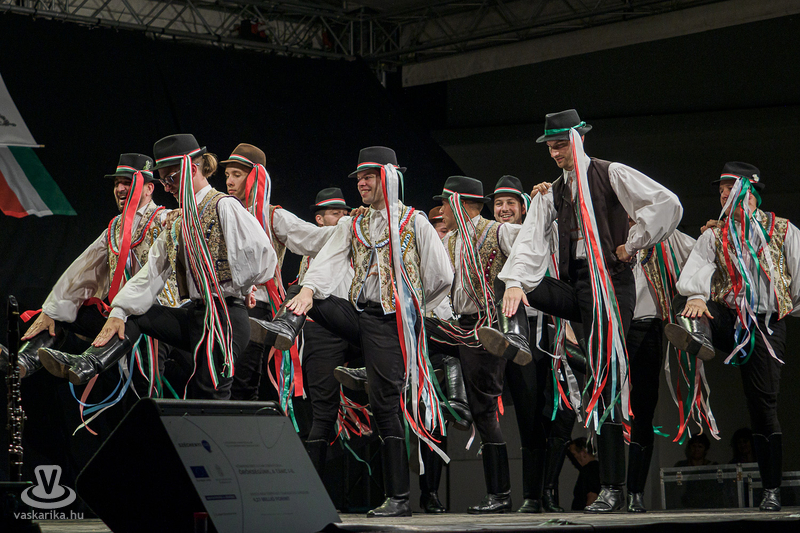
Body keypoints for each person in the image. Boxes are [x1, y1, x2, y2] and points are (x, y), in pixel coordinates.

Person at [480, 109, 683, 513]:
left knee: (604, 376)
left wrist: (634, 242)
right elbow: (530, 241)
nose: (555, 153)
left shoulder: (610, 173)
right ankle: (518, 335)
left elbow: (667, 203)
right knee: (516, 279)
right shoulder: (552, 192)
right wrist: (516, 282)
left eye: (560, 145)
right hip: (575, 285)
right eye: (551, 147)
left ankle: (613, 488)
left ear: (579, 139)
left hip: (610, 283)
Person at [253, 146, 453, 517]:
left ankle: (399, 498)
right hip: (359, 314)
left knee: (383, 403)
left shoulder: (415, 221)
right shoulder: (353, 223)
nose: (361, 183)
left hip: (392, 321)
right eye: (359, 177)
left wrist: (412, 307)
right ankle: (285, 326)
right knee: (301, 289)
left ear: (388, 178)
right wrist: (309, 291)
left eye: (368, 176)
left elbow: (442, 275)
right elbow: (327, 262)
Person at [38, 134, 276, 400]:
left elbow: (263, 257)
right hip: (197, 316)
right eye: (163, 181)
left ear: (192, 170)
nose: (167, 187)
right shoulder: (178, 222)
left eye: (170, 178)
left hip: (225, 318)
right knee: (136, 315)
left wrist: (239, 284)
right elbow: (151, 273)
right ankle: (89, 362)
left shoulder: (224, 205)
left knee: (206, 395)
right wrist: (119, 312)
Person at [666, 161, 798, 512]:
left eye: (729, 187)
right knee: (684, 298)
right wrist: (697, 296)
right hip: (727, 318)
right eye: (721, 189)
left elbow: (798, 280)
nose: (723, 193)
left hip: (766, 325)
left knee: (763, 407)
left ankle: (771, 489)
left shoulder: (783, 230)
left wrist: (783, 309)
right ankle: (701, 337)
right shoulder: (714, 234)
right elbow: (694, 271)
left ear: (749, 191)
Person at [2, 154, 178, 387]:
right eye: (117, 183)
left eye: (127, 182)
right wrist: (52, 309)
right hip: (120, 315)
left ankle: (87, 364)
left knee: (143, 385)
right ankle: (24, 360)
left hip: (156, 318)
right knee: (63, 309)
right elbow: (84, 269)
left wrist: (180, 216)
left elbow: (185, 224)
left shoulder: (164, 219)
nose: (120, 188)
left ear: (149, 188)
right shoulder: (114, 228)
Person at [221, 143, 337, 402]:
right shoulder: (220, 211)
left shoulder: (272, 216)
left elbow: (314, 238)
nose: (229, 181)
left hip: (255, 307)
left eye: (237, 175)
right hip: (221, 306)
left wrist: (352, 227)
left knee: (244, 381)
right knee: (219, 376)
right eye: (227, 175)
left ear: (254, 177)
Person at [435, 175, 522, 513]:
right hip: (461, 324)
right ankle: (456, 399)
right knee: (416, 332)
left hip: (488, 325)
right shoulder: (450, 240)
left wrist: (512, 285)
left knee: (484, 410)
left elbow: (531, 253)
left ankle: (500, 494)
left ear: (460, 204)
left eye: (445, 204)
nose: (442, 211)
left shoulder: (498, 232)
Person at [625, 225, 696, 512]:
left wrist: (717, 233)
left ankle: (635, 492)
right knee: (607, 406)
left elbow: (703, 254)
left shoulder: (664, 232)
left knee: (643, 409)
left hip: (647, 324)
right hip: (610, 323)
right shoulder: (607, 227)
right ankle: (610, 489)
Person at [568, 437, 600, 511]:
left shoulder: (590, 470)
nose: (573, 460)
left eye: (574, 454)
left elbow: (592, 495)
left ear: (583, 452)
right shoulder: (595, 468)